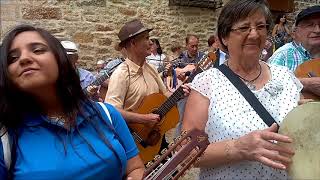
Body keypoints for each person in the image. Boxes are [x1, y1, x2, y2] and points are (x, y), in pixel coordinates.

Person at [0, 25, 144, 179]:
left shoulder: (106, 114)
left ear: (60, 59)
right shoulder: (6, 137)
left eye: (37, 50)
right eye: (12, 58)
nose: (24, 58)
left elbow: (135, 167)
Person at [182, 0, 303, 179]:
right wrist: (238, 148)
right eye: (244, 27)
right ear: (224, 37)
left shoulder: (285, 77)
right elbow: (186, 153)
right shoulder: (207, 82)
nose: (254, 34)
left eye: (260, 26)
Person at [105, 19, 190, 155]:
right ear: (133, 43)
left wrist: (180, 93)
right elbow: (110, 111)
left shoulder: (151, 69)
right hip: (133, 142)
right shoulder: (121, 74)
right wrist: (143, 119)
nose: (151, 42)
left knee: (170, 174)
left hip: (155, 139)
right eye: (146, 38)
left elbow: (164, 97)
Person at [268, 5, 320, 97]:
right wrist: (305, 83)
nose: (317, 30)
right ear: (296, 31)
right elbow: (268, 88)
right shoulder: (283, 55)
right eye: (310, 25)